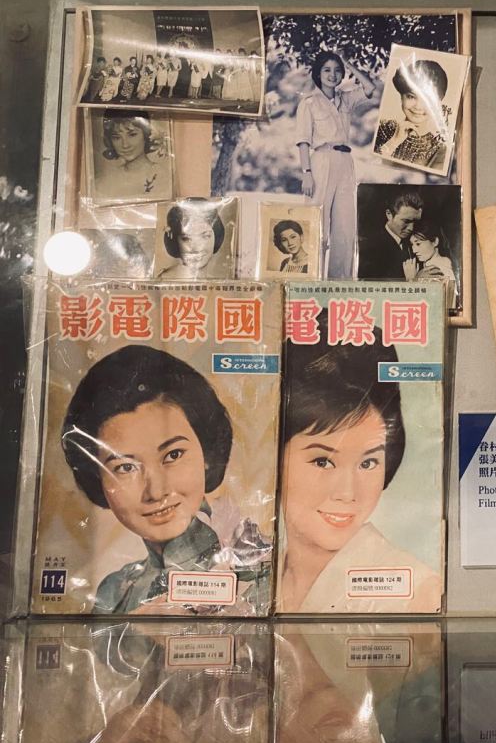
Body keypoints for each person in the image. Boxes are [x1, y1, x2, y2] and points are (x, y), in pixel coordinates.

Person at [60, 345, 271, 615]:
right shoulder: (114, 593)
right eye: (125, 467)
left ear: (206, 453)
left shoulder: (259, 567)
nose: (156, 491)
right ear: (98, 478)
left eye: (173, 455)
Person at [278, 321, 442, 613]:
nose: (347, 493)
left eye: (368, 462)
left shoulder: (419, 593)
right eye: (322, 461)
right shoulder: (257, 574)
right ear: (276, 456)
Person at [296, 50, 375, 279]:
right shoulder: (309, 103)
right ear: (318, 73)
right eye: (327, 70)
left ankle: (338, 284)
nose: (333, 75)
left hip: (345, 162)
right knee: (317, 223)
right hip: (321, 161)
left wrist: (349, 64)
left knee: (345, 227)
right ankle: (312, 280)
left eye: (337, 70)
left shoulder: (346, 99)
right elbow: (303, 141)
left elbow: (370, 88)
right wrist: (306, 172)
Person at [374, 58, 449, 172]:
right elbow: (369, 167)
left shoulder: (439, 151)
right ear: (401, 96)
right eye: (411, 96)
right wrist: (394, 141)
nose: (418, 106)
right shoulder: (382, 129)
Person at [93, 109, 168, 204]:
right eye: (117, 137)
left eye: (132, 135)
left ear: (146, 134)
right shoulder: (105, 180)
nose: (125, 145)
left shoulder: (162, 177)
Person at [157, 200, 232, 280]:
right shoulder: (164, 280)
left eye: (205, 236)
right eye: (186, 239)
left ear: (216, 236)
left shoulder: (220, 281)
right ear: (175, 241)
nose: (196, 248)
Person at [357, 190, 422, 280]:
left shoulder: (416, 242)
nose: (411, 228)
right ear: (389, 214)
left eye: (415, 222)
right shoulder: (369, 248)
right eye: (406, 221)